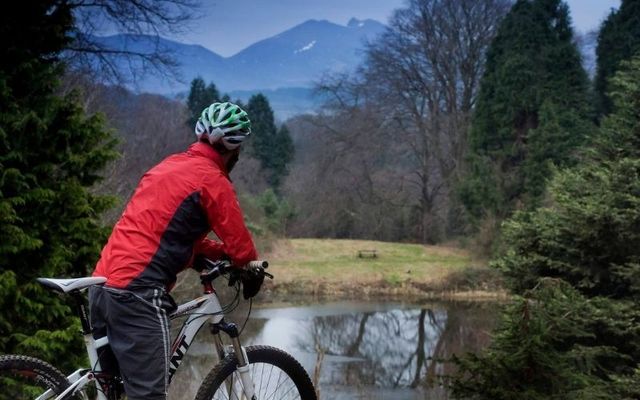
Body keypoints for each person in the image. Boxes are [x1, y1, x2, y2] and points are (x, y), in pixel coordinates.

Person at [89, 102, 263, 400]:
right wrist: (248, 268)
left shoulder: (166, 166)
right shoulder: (213, 180)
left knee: (115, 392)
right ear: (234, 149)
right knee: (150, 395)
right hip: (137, 294)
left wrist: (210, 255)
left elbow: (162, 233)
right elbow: (241, 247)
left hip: (102, 285)